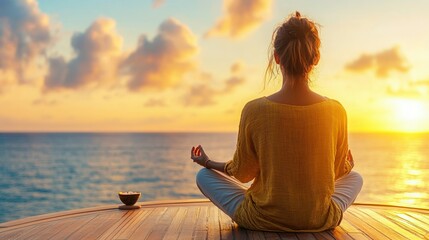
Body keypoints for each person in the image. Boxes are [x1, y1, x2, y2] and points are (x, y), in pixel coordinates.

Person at [191, 11, 363, 232]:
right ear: (316, 58)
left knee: (203, 176)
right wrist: (348, 166)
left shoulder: (254, 110)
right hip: (319, 219)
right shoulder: (336, 110)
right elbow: (338, 171)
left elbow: (243, 173)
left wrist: (208, 163)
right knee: (356, 177)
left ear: (277, 57)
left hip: (262, 219)